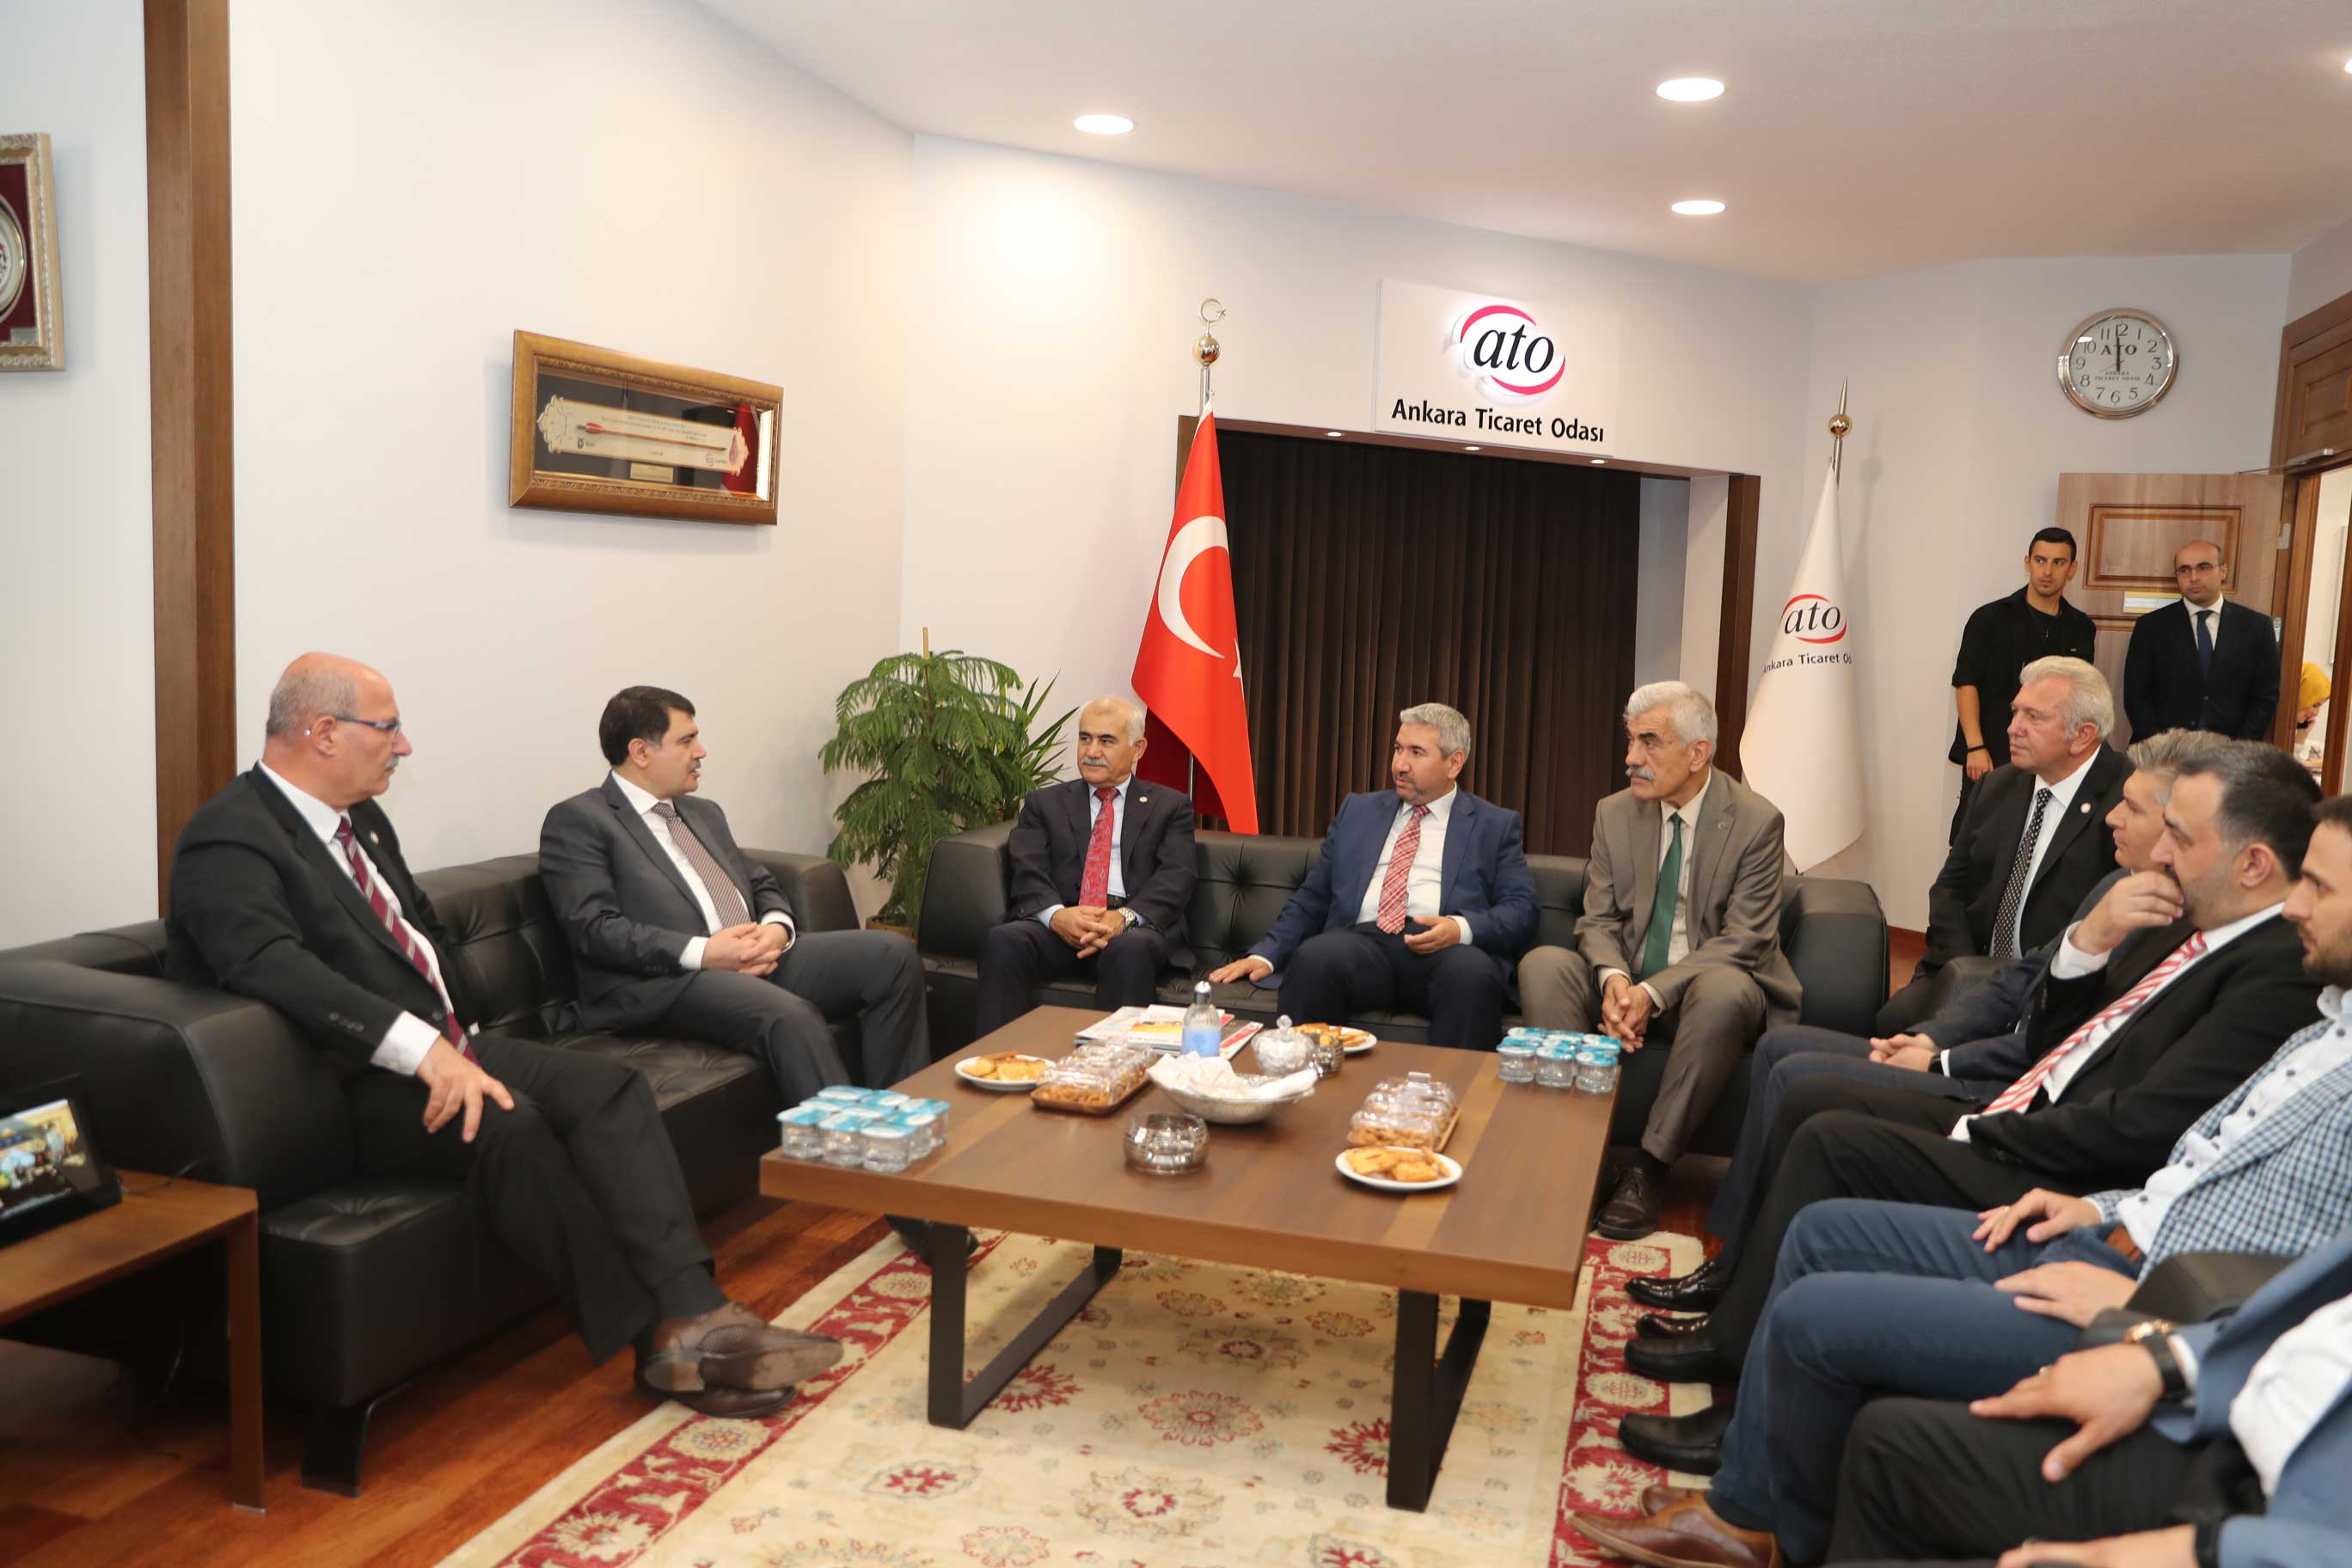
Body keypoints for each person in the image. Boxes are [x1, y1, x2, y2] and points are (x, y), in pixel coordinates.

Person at [1571, 791, 2352, 1568]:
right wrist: (2098, 1208)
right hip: (2090, 1205)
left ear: (2250, 862)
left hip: (2123, 1249)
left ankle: (1749, 1498)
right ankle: (1749, 1460)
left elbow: (2153, 1131)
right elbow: (2143, 1110)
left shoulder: (2275, 975)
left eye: (2318, 886)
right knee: (1820, 1219)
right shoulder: (2286, 992)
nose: (2146, 840)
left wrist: (2155, 1316)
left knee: (1824, 1178)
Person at [165, 655, 838, 1419]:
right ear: (322, 732)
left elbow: (417, 932)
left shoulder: (362, 823)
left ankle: (695, 1308)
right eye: (387, 728)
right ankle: (657, 1341)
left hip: (449, 1045)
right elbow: (271, 966)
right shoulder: (229, 838)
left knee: (611, 1089)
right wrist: (426, 1051)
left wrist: (464, 1032)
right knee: (511, 1123)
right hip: (346, 1080)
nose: (404, 745)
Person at [1626, 741, 2324, 1400]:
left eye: (2175, 833)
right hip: (2030, 1111)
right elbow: (2049, 1025)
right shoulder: (2167, 908)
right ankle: (1735, 1305)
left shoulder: (2268, 969)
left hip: (2054, 1155)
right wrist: (2085, 945)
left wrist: (1981, 1117)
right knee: (1811, 1100)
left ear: (2253, 863)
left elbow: (2142, 1119)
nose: (2158, 848)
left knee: (1824, 1128)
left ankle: (1736, 1346)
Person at [1828, 1222, 2352, 1565]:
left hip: (2284, 1533)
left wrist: (2218, 1551)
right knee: (1887, 1445)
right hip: (2235, 1422)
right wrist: (2172, 1360)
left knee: (1823, 1301)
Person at [539, 685, 928, 1100]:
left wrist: (776, 929)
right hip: (667, 982)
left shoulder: (702, 812)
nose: (701, 751)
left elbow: (760, 882)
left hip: (752, 957)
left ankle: (901, 1115)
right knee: (789, 1014)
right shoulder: (580, 820)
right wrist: (707, 952)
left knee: (893, 956)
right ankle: (840, 1139)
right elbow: (595, 930)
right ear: (641, 751)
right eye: (686, 740)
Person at [1517, 681, 1800, 1240]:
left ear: (1698, 753)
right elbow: (1597, 920)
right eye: (1630, 741)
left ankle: (1649, 1168)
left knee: (1724, 990)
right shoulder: (1614, 813)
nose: (1631, 758)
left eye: (1649, 742)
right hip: (1629, 978)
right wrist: (1616, 980)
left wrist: (1652, 993)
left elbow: (1744, 940)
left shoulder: (1755, 821)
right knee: (1544, 966)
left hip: (1708, 985)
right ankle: (1584, 1157)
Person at [1204, 702, 1537, 1052]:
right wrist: (1266, 954)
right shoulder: (1358, 810)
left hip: (1445, 949)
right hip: (1363, 944)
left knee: (1472, 975)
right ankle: (1302, 1077)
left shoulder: (1494, 825)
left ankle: (1453, 1087)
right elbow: (1314, 896)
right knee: (1316, 958)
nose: (1400, 764)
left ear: (1454, 763)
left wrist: (1460, 928)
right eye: (1398, 749)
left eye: (1416, 753)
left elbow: (1522, 908)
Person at [1880, 658, 2134, 1034]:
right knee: (1893, 1023)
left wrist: (2012, 987)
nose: (2013, 728)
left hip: (2054, 991)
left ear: (2082, 735)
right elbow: (1949, 889)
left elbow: (2115, 928)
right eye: (2016, 712)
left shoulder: (2128, 802)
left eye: (2034, 717)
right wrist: (1968, 972)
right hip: (1968, 968)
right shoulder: (1997, 785)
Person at [974, 695, 1197, 1036]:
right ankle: (997, 1059)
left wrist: (1122, 919)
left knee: (1129, 949)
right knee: (1005, 940)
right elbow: (1027, 866)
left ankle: (1114, 1065)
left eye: (1106, 741)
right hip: (1063, 922)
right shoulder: (1044, 803)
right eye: (1085, 738)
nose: (1092, 751)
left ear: (1137, 749)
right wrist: (1057, 916)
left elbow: (1177, 876)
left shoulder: (1170, 806)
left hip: (1131, 928)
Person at [1948, 528, 2099, 840]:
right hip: (1991, 752)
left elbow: (2078, 697)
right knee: (1975, 843)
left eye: (2058, 562)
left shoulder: (2081, 627)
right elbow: (1966, 683)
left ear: (2072, 569)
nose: (2048, 571)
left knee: (2035, 844)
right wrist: (1975, 747)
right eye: (2040, 560)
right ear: (2028, 562)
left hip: (2051, 760)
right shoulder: (1989, 618)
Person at [2122, 539, 2281, 742]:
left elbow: (2265, 697)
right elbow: (2136, 696)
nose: (2193, 577)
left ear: (2223, 571)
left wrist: (2238, 749)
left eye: (2203, 567)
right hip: (2162, 752)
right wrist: (2162, 748)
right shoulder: (2150, 627)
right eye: (2184, 570)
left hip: (2233, 752)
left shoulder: (2256, 627)